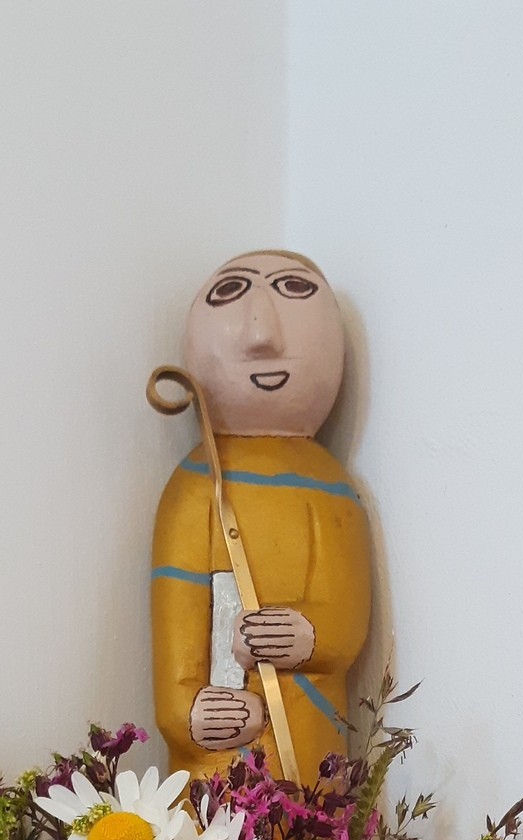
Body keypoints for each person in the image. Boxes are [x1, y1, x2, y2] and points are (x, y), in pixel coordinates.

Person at [150, 250, 371, 786]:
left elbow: (348, 615)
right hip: (214, 774)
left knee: (313, 825)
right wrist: (191, 712)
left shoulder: (329, 486)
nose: (262, 336)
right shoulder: (195, 486)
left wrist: (308, 635)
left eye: (293, 290)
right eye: (233, 293)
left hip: (311, 751)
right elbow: (176, 629)